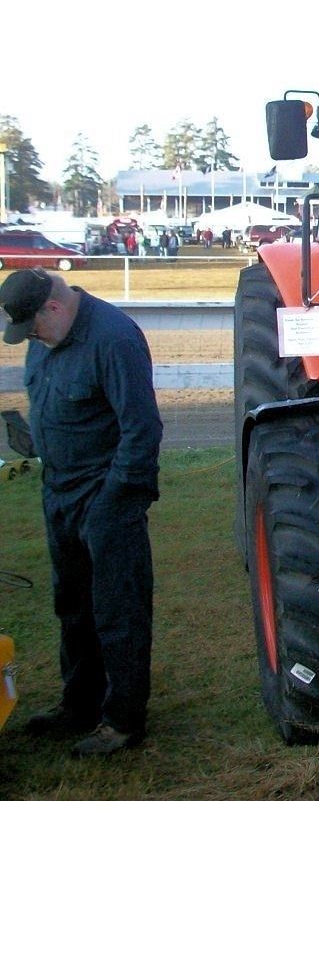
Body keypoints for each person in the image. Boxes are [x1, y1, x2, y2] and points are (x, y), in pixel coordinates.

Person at [0, 268, 162, 757]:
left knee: (118, 609)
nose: (31, 339)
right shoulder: (45, 338)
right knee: (72, 606)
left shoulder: (114, 339)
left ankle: (122, 721)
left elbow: (141, 430)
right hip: (59, 493)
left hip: (106, 497)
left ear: (53, 307)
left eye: (32, 328)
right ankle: (79, 704)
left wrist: (114, 499)